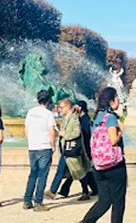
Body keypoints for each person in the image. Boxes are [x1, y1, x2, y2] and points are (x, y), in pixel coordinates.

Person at [81, 86, 127, 223]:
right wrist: (121, 130)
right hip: (114, 166)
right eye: (117, 97)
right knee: (118, 202)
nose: (119, 100)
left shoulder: (97, 117)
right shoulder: (111, 117)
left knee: (104, 201)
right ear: (112, 101)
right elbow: (113, 140)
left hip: (99, 166)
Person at [46, 98, 91, 200]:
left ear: (67, 107)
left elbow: (77, 132)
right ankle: (52, 191)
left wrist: (64, 134)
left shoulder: (74, 118)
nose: (59, 110)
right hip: (66, 149)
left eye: (61, 107)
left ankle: (85, 191)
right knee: (62, 170)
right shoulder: (67, 117)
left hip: (71, 150)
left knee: (79, 172)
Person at [23, 89, 56, 212]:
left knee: (33, 174)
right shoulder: (48, 114)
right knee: (42, 175)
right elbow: (51, 131)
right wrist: (53, 146)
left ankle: (27, 201)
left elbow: (26, 129)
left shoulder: (30, 112)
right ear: (48, 100)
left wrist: (31, 141)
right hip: (44, 147)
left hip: (33, 147)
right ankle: (38, 202)